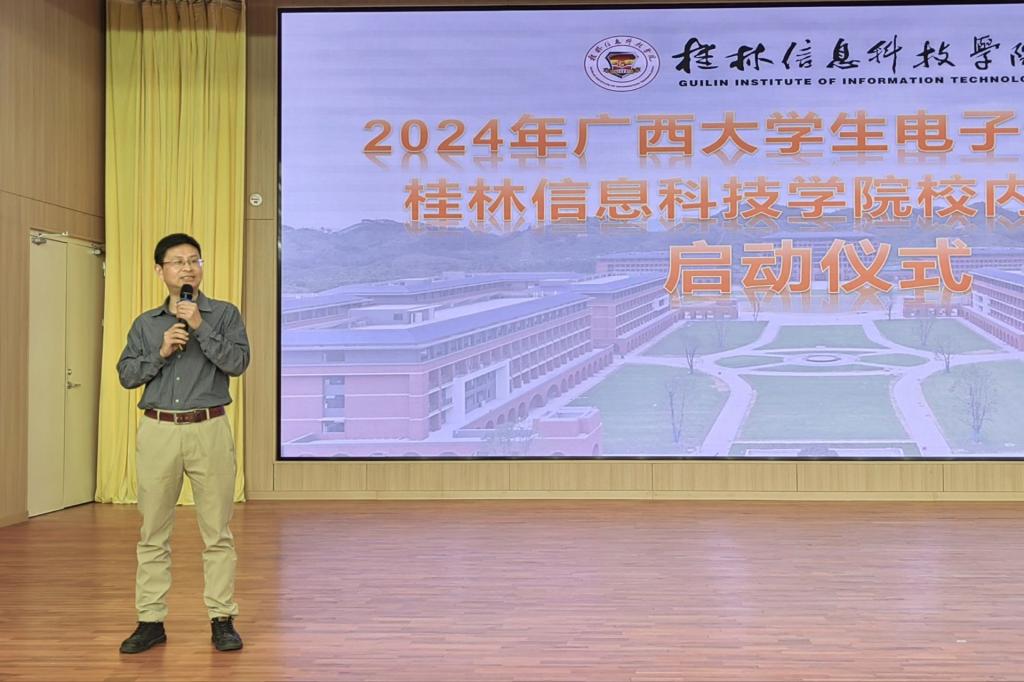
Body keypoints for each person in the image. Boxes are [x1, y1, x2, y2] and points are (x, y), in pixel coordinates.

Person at [116, 233, 250, 653]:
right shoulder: (146, 324)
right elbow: (127, 376)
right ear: (160, 271)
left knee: (217, 532)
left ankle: (222, 619)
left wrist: (200, 327)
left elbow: (238, 363)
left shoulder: (223, 315)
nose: (188, 268)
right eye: (178, 261)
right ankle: (150, 621)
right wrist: (160, 352)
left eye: (195, 260)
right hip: (158, 430)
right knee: (152, 532)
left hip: (209, 428)